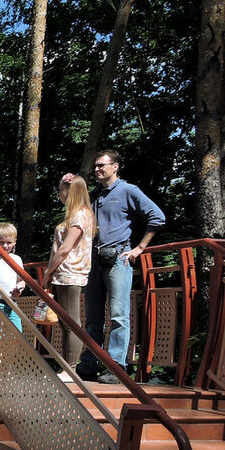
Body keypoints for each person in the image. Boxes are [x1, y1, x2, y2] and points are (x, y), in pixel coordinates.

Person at [75, 149, 166, 383]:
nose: (97, 169)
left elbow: (157, 217)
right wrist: (67, 183)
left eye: (101, 165)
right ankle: (89, 365)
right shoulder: (94, 194)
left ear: (115, 166)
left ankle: (116, 367)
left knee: (119, 315)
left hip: (117, 259)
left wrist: (139, 248)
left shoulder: (128, 190)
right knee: (93, 316)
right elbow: (70, 206)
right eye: (95, 166)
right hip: (94, 261)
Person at [42, 173, 95, 377]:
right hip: (64, 274)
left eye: (60, 190)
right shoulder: (75, 214)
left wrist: (48, 271)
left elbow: (65, 248)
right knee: (65, 323)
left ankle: (71, 369)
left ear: (69, 191)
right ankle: (66, 366)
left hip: (71, 272)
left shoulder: (80, 214)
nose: (58, 195)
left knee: (72, 322)